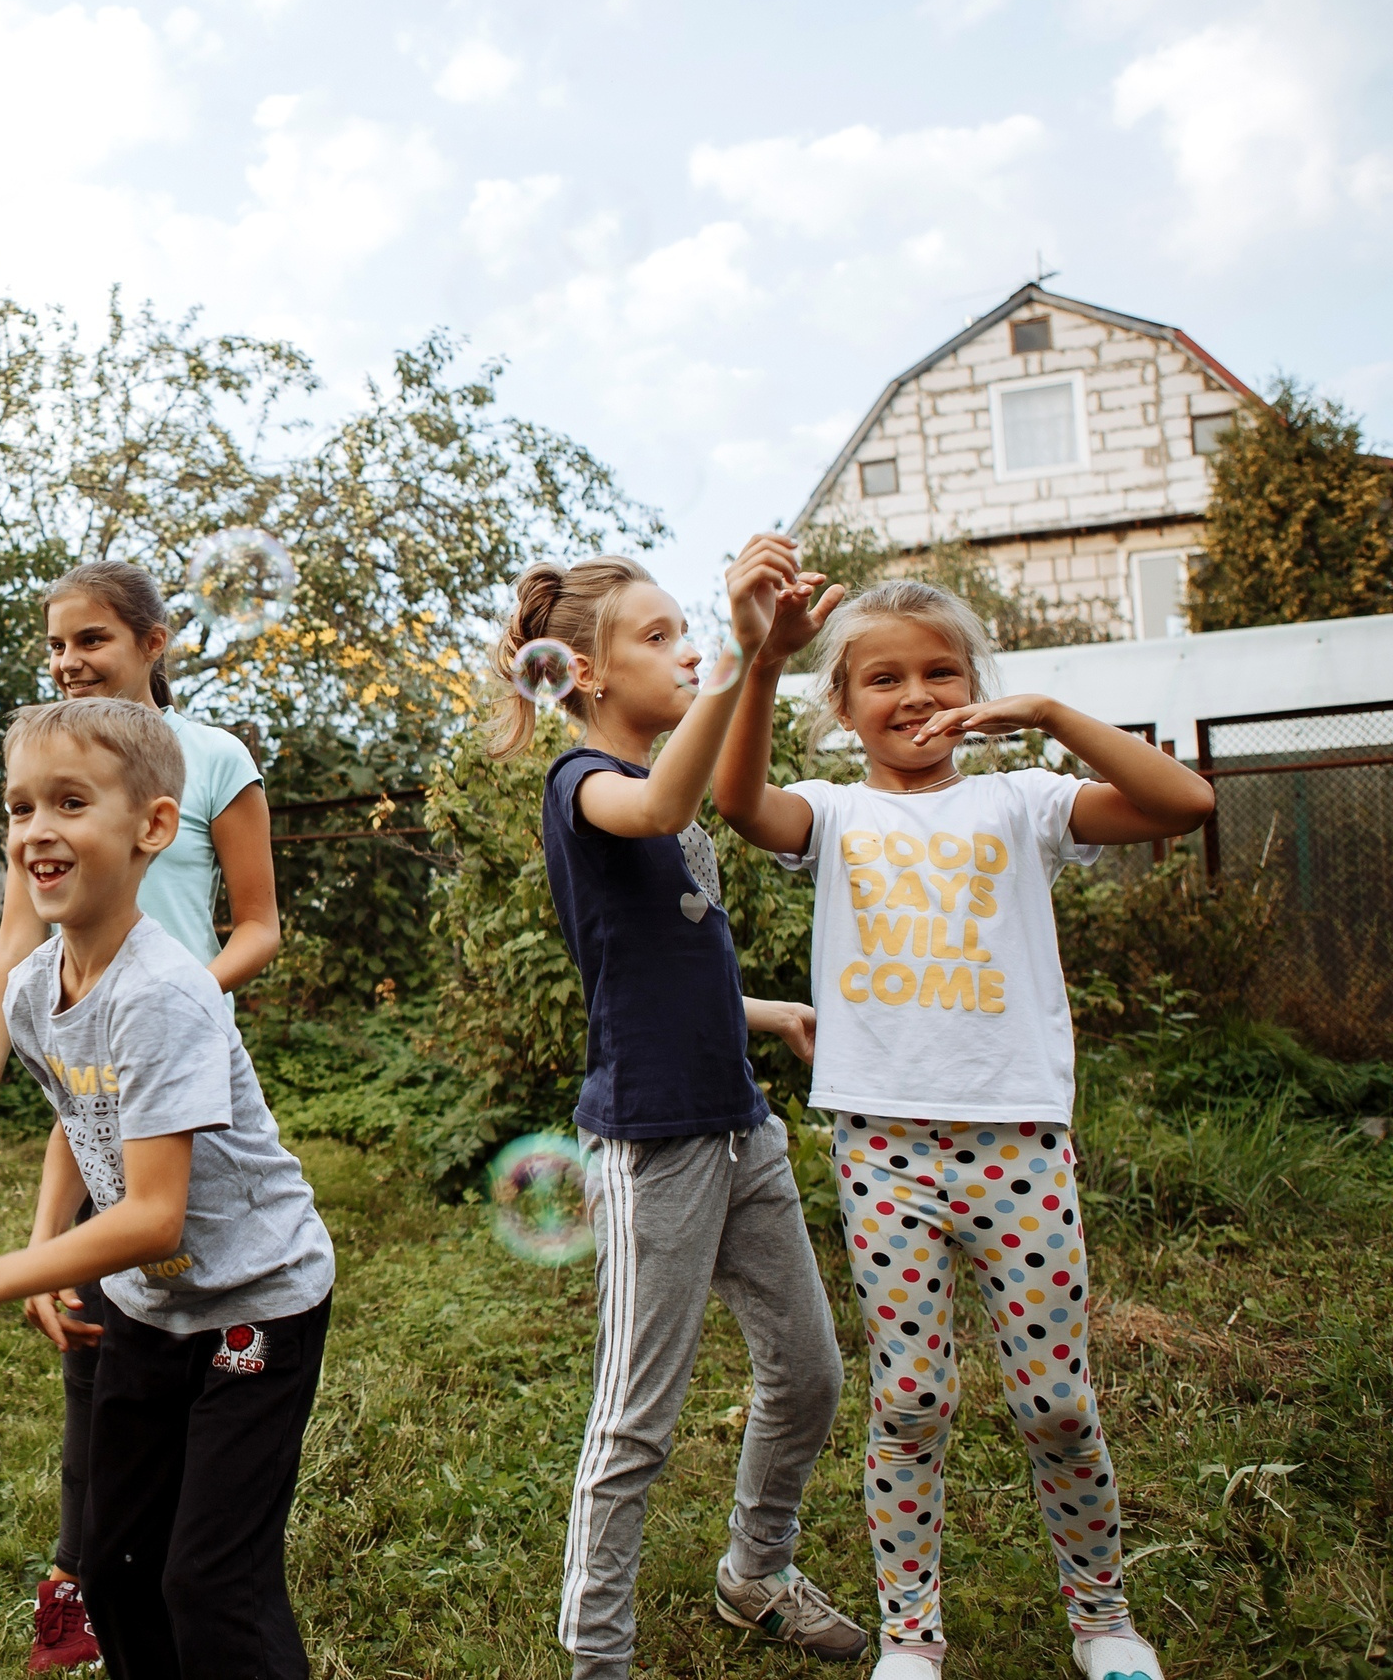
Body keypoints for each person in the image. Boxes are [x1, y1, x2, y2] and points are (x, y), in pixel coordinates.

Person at [713, 572, 1213, 1680]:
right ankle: (912, 1636)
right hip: (883, 1152)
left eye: (940, 670)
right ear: (841, 708)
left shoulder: (1024, 799)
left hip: (1017, 1148)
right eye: (882, 677)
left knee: (1056, 1403)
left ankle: (1101, 1619)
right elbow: (742, 806)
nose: (915, 692)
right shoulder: (832, 810)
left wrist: (1045, 717)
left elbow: (1184, 804)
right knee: (910, 1397)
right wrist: (759, 661)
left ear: (975, 689)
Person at [0, 697, 334, 1680]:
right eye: (20, 808)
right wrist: (40, 1245)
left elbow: (152, 1216)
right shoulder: (33, 989)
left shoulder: (168, 992)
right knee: (113, 1568)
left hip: (257, 1306)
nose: (37, 831)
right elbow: (82, 1109)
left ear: (151, 827)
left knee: (209, 1584)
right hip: (153, 1308)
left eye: (69, 801)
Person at [499, 543, 870, 1680]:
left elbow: (658, 961)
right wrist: (743, 657)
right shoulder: (586, 784)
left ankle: (755, 1571)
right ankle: (595, 1658)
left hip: (739, 1124)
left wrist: (770, 1014)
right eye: (656, 638)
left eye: (686, 633)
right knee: (634, 1424)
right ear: (587, 677)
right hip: (652, 1146)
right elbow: (665, 797)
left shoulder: (652, 796)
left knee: (808, 1372)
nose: (686, 650)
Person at [0, 559, 280, 1673]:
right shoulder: (49, 773)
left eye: (92, 641)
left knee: (166, 1279)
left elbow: (259, 926)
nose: (70, 662)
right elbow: (16, 947)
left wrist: (167, 1014)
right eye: (56, 647)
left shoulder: (213, 759)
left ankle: (171, 1556)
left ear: (153, 642)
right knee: (96, 1340)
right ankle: (88, 1574)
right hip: (91, 1066)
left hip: (169, 1060)